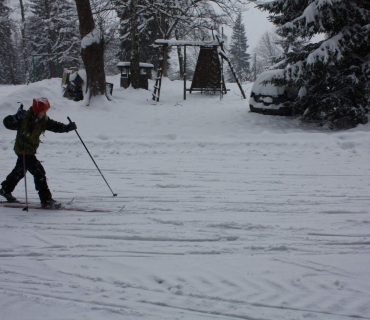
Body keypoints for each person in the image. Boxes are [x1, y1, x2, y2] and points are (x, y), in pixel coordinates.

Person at [0, 97, 77, 208]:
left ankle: (5, 189)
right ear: (37, 110)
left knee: (20, 171)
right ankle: (46, 199)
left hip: (30, 150)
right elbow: (7, 123)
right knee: (39, 172)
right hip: (23, 150)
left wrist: (66, 128)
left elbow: (54, 125)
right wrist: (15, 118)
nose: (45, 114)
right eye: (43, 111)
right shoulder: (25, 118)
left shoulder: (42, 120)